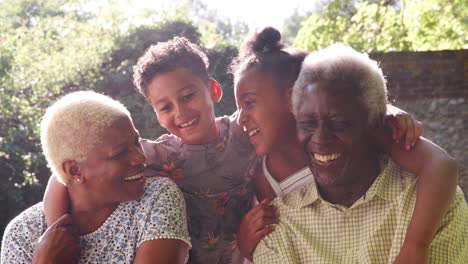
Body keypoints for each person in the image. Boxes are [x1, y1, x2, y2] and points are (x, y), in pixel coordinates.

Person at [43, 38, 258, 264]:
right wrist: (57, 233)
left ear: (213, 89)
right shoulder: (158, 156)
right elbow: (61, 177)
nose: (180, 112)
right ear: (156, 113)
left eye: (188, 96)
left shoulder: (243, 132)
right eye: (166, 107)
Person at [251, 43, 468, 263]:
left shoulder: (434, 207)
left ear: (376, 125)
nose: (320, 138)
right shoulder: (278, 228)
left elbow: (442, 164)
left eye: (339, 123)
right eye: (308, 123)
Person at [1, 91, 191, 263]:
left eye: (136, 142)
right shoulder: (22, 234)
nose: (141, 158)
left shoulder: (155, 197)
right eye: (120, 154)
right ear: (75, 171)